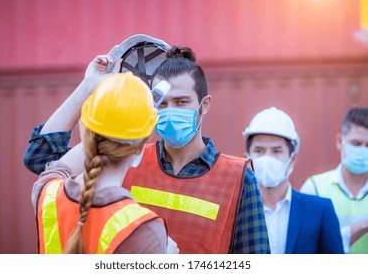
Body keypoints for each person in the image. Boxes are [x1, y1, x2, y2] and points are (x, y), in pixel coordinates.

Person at [24, 41, 270, 253]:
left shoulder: (238, 178)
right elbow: (39, 159)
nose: (170, 110)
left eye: (181, 102)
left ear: (204, 105)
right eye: (161, 103)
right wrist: (92, 86)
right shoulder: (127, 158)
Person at [32, 72, 179, 254]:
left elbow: (56, 165)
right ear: (139, 149)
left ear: (85, 134)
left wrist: (90, 85)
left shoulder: (47, 193)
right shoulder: (144, 231)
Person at [243, 106, 344, 254]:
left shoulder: (320, 211)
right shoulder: (234, 210)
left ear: (293, 159)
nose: (267, 159)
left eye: (277, 151)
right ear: (247, 157)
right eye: (259, 151)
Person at [300, 107, 368, 254]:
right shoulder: (314, 188)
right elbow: (308, 249)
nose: (363, 151)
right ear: (339, 141)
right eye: (356, 143)